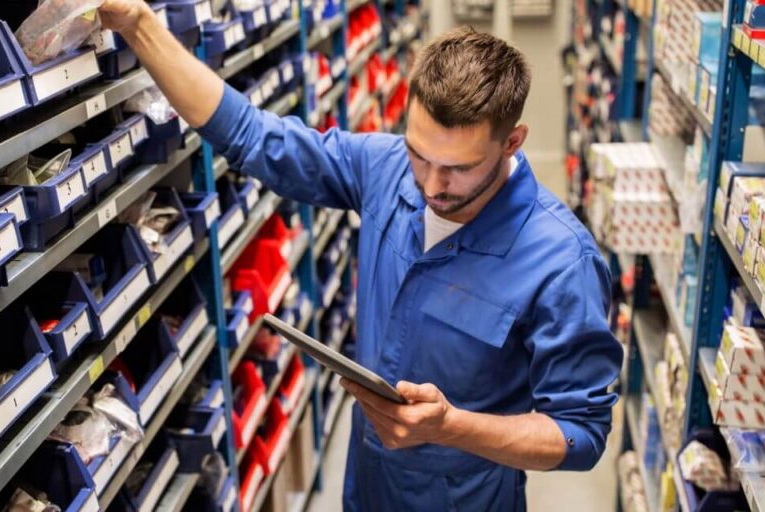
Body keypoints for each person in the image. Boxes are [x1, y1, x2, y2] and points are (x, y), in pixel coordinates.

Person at [99, 2, 623, 510]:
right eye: (420, 153)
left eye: (458, 168)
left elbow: (580, 432)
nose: (431, 185)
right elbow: (250, 135)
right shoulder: (386, 167)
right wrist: (140, 22)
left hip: (466, 499)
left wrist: (451, 427)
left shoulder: (561, 260)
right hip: (369, 484)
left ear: (512, 143)